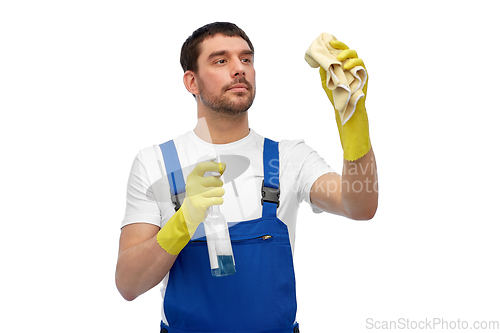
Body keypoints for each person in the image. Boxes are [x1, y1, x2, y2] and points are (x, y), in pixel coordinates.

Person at [115, 22, 378, 333]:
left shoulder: (289, 158)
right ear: (191, 81)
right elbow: (128, 284)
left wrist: (354, 121)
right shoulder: (155, 162)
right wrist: (183, 221)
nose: (239, 69)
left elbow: (359, 205)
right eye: (221, 61)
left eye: (246, 59)